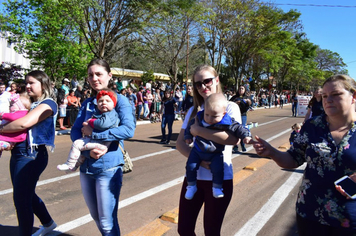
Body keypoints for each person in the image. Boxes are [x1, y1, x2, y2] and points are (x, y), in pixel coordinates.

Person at [253, 74, 356, 236]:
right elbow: (293, 159)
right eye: (324, 96)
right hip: (309, 214)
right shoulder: (312, 126)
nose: (328, 100)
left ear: (353, 96)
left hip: (349, 218)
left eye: (336, 94)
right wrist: (271, 152)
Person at [70, 59, 135, 235]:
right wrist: (86, 148)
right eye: (91, 75)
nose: (94, 78)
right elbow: (75, 130)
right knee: (96, 217)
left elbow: (128, 130)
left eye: (99, 74)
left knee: (107, 222)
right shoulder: (87, 103)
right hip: (86, 168)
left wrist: (96, 134)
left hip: (109, 168)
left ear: (109, 75)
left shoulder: (120, 100)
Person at [176, 65, 241, 236]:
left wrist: (199, 131)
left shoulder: (230, 107)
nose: (203, 87)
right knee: (184, 229)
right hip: (194, 178)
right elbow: (180, 144)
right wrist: (200, 162)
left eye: (207, 81)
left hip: (220, 178)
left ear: (217, 80)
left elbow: (234, 139)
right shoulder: (193, 110)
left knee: (211, 231)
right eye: (198, 84)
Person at [0, 70, 58, 236]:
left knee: (21, 199)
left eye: (31, 83)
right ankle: (48, 223)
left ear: (43, 84)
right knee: (25, 193)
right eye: (26, 83)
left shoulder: (48, 104)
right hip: (19, 152)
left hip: (32, 155)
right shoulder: (29, 103)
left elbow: (23, 124)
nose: (27, 86)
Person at [184, 93, 252, 200]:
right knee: (190, 166)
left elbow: (239, 128)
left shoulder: (226, 121)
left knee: (218, 170)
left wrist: (246, 136)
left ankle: (217, 188)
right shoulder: (200, 117)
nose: (210, 119)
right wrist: (187, 136)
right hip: (197, 150)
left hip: (215, 153)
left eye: (214, 116)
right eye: (207, 115)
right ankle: (191, 186)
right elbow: (190, 127)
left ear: (223, 113)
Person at [57, 89, 118, 172]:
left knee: (76, 144)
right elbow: (77, 127)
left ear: (113, 104)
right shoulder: (100, 113)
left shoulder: (111, 113)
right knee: (82, 155)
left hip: (102, 143)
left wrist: (90, 122)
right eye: (100, 101)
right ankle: (73, 167)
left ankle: (69, 164)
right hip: (96, 141)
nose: (104, 103)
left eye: (107, 101)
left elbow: (102, 124)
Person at [0, 93, 31, 158]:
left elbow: (12, 117)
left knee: (6, 143)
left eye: (11, 105)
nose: (9, 106)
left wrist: (2, 115)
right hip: (10, 135)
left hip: (14, 136)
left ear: (20, 106)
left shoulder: (22, 112)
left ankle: (4, 145)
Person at [230, 85, 251, 152]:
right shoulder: (234, 97)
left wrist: (248, 102)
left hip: (243, 115)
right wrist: (235, 103)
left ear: (245, 90)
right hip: (235, 115)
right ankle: (235, 146)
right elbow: (229, 104)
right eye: (240, 88)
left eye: (242, 89)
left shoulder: (247, 97)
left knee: (242, 129)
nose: (241, 90)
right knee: (234, 130)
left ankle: (243, 145)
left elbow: (249, 105)